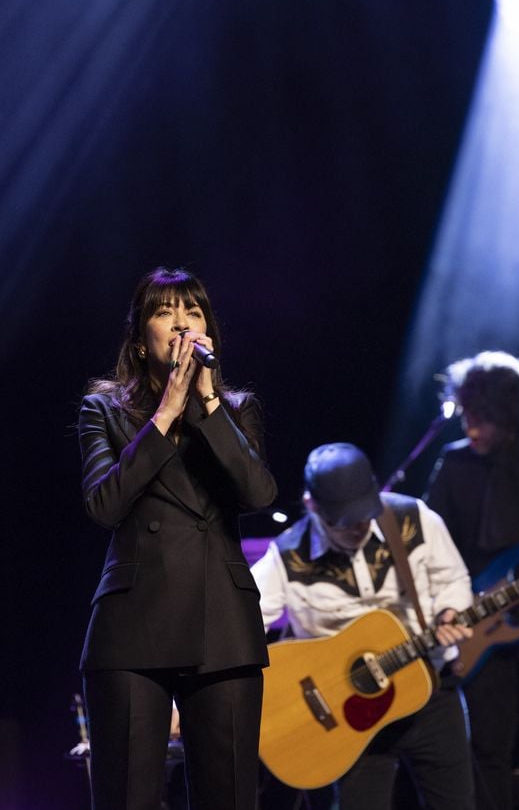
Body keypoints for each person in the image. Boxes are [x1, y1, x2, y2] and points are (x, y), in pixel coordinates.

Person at [78, 266, 277, 810]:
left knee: (229, 796)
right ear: (141, 342)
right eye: (165, 312)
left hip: (224, 627)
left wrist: (208, 405)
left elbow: (259, 494)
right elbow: (104, 504)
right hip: (132, 627)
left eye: (193, 311)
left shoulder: (235, 411)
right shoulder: (104, 410)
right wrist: (166, 412)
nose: (182, 323)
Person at [251, 442, 476, 810]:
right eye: (344, 520)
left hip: (430, 692)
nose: (358, 527)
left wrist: (450, 611)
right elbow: (241, 624)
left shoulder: (415, 519)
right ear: (312, 505)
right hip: (343, 716)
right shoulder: (288, 556)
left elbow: (453, 579)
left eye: (365, 514)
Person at [425, 350, 519, 810]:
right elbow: (432, 546)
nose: (471, 428)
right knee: (487, 745)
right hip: (476, 616)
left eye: (483, 418)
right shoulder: (455, 464)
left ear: (510, 415)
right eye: (467, 416)